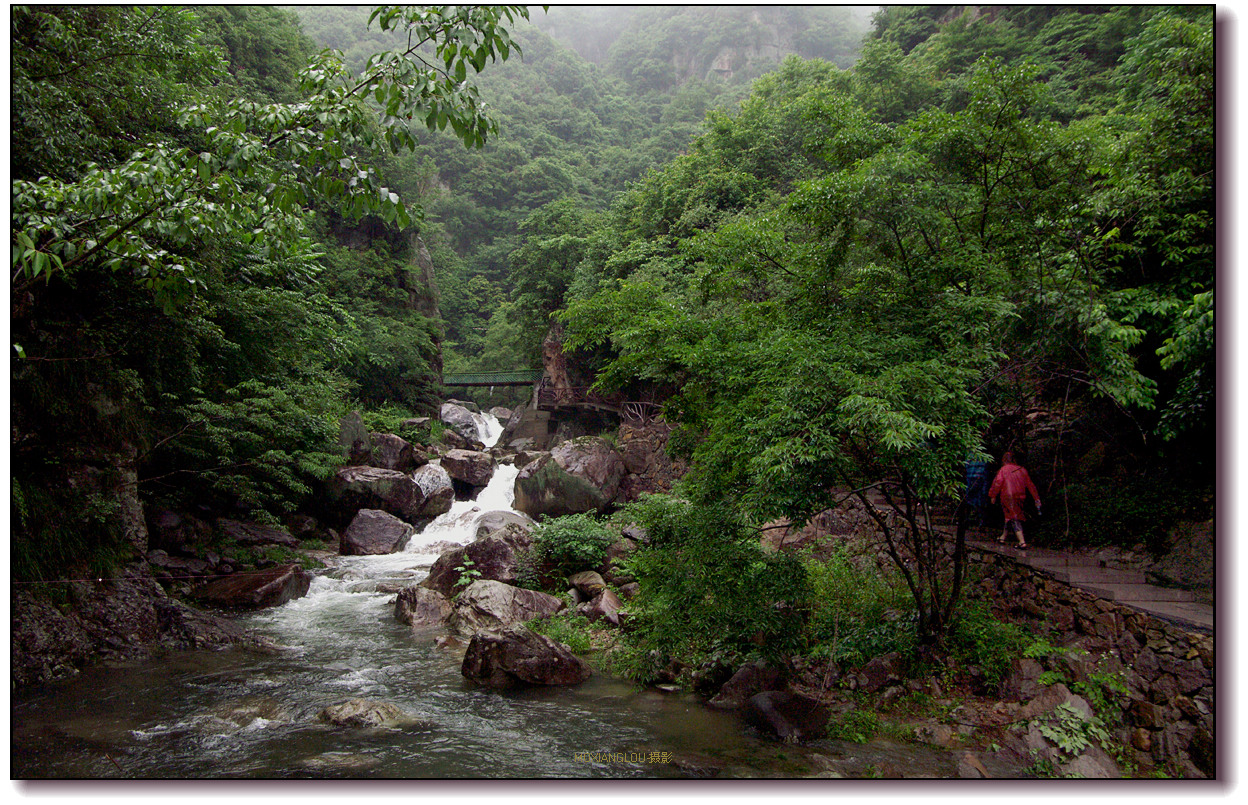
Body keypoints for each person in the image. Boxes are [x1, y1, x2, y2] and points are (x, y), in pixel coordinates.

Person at [988, 451, 1041, 550]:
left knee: (1014, 517)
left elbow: (997, 483)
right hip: (1020, 496)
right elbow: (1030, 485)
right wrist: (1036, 498)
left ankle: (1022, 542)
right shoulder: (1022, 470)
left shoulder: (1003, 470)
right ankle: (1003, 537)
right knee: (1010, 516)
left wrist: (993, 495)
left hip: (1007, 496)